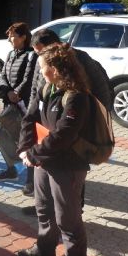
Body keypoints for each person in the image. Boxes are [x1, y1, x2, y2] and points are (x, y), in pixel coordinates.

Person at [16, 43, 90, 256]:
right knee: (44, 209)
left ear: (56, 69)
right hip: (43, 162)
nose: (40, 72)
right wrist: (25, 148)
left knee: (68, 220)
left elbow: (63, 136)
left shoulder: (77, 97)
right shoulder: (46, 87)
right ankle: (45, 251)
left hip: (68, 166)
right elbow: (29, 118)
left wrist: (32, 154)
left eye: (43, 68)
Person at [20, 28, 113, 198]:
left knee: (71, 173)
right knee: (45, 170)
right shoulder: (42, 62)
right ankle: (44, 201)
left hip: (74, 125)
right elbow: (36, 85)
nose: (37, 56)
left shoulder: (79, 59)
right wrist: (33, 110)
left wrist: (95, 121)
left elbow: (101, 91)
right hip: (48, 121)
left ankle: (75, 206)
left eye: (39, 50)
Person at [0, 22, 37, 182]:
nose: (9, 39)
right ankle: (12, 168)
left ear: (23, 37)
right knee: (3, 133)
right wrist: (8, 92)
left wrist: (16, 92)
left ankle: (32, 180)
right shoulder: (11, 54)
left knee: (26, 139)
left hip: (23, 104)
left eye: (12, 36)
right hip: (9, 102)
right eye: (9, 36)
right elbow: (3, 75)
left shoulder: (32, 55)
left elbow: (29, 78)